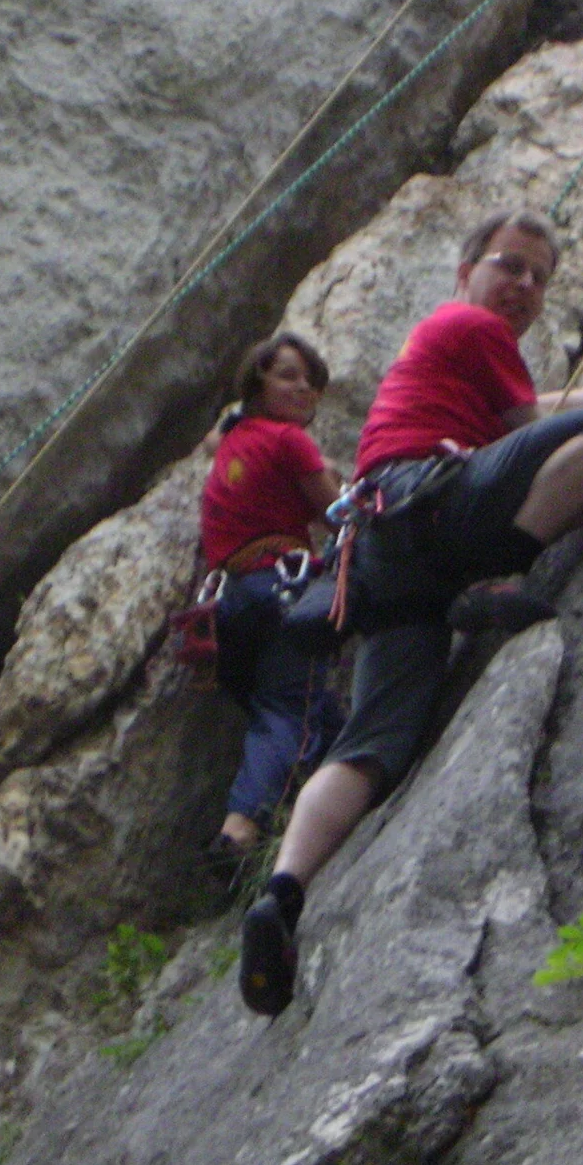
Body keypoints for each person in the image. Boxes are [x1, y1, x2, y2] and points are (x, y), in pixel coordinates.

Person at [239, 209, 583, 1016]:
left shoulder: (455, 349)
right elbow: (540, 423)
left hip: (386, 557)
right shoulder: (468, 323)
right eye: (510, 265)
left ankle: (283, 894)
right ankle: (494, 576)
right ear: (464, 272)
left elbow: (532, 405)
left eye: (538, 278)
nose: (525, 287)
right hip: (430, 506)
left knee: (373, 747)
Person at [200, 333, 348, 881]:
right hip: (283, 589)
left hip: (233, 602)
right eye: (288, 375)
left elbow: (219, 436)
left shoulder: (234, 440)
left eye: (311, 382)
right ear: (257, 383)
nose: (303, 387)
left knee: (318, 718)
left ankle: (344, 800)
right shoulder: (289, 442)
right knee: (288, 710)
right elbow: (339, 514)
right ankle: (239, 832)